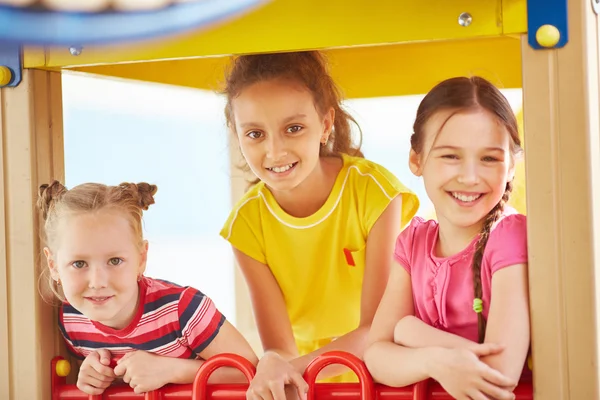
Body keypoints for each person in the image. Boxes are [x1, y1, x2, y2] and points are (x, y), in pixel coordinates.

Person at [219, 51, 419, 400]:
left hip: (386, 368)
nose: (275, 151)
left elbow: (377, 329)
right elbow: (280, 347)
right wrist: (278, 365)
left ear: (325, 125)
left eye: (293, 128)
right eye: (255, 134)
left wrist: (285, 368)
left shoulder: (374, 192)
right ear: (237, 136)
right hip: (312, 377)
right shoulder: (246, 225)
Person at [364, 76, 530, 400]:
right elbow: (375, 357)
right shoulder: (412, 243)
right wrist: (434, 360)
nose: (469, 177)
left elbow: (501, 373)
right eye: (450, 156)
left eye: (489, 158)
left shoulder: (509, 237)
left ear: (512, 166)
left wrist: (411, 333)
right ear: (416, 160)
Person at [38, 180, 258, 395]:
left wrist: (172, 370)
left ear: (141, 258)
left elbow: (248, 370)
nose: (97, 282)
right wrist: (89, 376)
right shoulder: (71, 319)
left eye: (115, 261)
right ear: (54, 266)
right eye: (79, 264)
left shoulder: (183, 309)